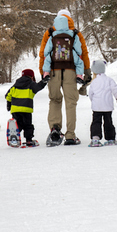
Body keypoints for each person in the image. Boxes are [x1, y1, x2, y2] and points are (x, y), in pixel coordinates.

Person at [43, 12, 86, 145]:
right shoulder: (74, 35)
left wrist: (45, 73)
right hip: (70, 72)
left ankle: (55, 128)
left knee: (55, 100)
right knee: (70, 103)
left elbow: (46, 55)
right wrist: (80, 74)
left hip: (54, 72)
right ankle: (70, 135)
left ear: (55, 24)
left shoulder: (51, 37)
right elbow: (79, 54)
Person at [38, 8, 91, 94]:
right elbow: (83, 53)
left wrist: (43, 71)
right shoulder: (76, 33)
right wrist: (87, 71)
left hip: (53, 70)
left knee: (55, 100)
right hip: (72, 70)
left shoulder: (50, 32)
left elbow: (43, 53)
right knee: (71, 99)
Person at [5, 69, 49, 147]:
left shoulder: (15, 85)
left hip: (15, 110)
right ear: (32, 76)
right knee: (28, 126)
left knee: (18, 124)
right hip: (26, 110)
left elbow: (8, 95)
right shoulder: (31, 84)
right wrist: (44, 81)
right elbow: (39, 86)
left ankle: (14, 134)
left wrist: (9, 104)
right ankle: (29, 140)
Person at [87, 59, 117, 147]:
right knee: (108, 122)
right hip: (108, 106)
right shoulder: (109, 80)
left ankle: (95, 139)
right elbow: (115, 89)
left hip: (97, 107)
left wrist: (93, 101)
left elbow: (90, 94)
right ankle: (111, 138)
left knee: (96, 122)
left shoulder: (94, 82)